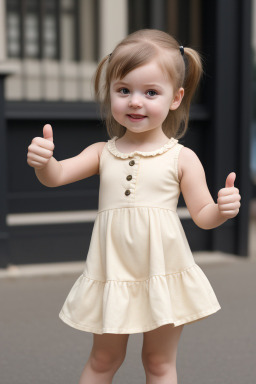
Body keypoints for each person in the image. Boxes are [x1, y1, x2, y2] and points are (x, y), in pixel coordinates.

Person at [27, 29, 241, 384]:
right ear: (110, 91)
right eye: (123, 90)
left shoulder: (181, 157)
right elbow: (58, 175)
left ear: (176, 97)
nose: (135, 102)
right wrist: (44, 163)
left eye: (151, 92)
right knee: (102, 360)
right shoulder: (102, 152)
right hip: (114, 275)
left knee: (158, 364)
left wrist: (222, 208)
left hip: (163, 274)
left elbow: (203, 216)